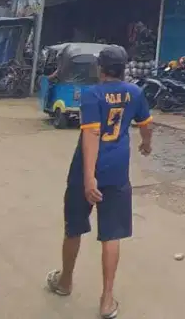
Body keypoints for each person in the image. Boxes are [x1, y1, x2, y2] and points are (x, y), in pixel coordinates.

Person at [46, 45, 153, 319]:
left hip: (85, 169)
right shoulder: (135, 93)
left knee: (74, 227)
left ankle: (65, 281)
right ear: (124, 67)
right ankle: (107, 300)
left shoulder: (92, 95)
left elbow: (91, 136)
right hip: (117, 171)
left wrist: (89, 177)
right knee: (112, 234)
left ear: (100, 68)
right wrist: (146, 144)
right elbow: (146, 123)